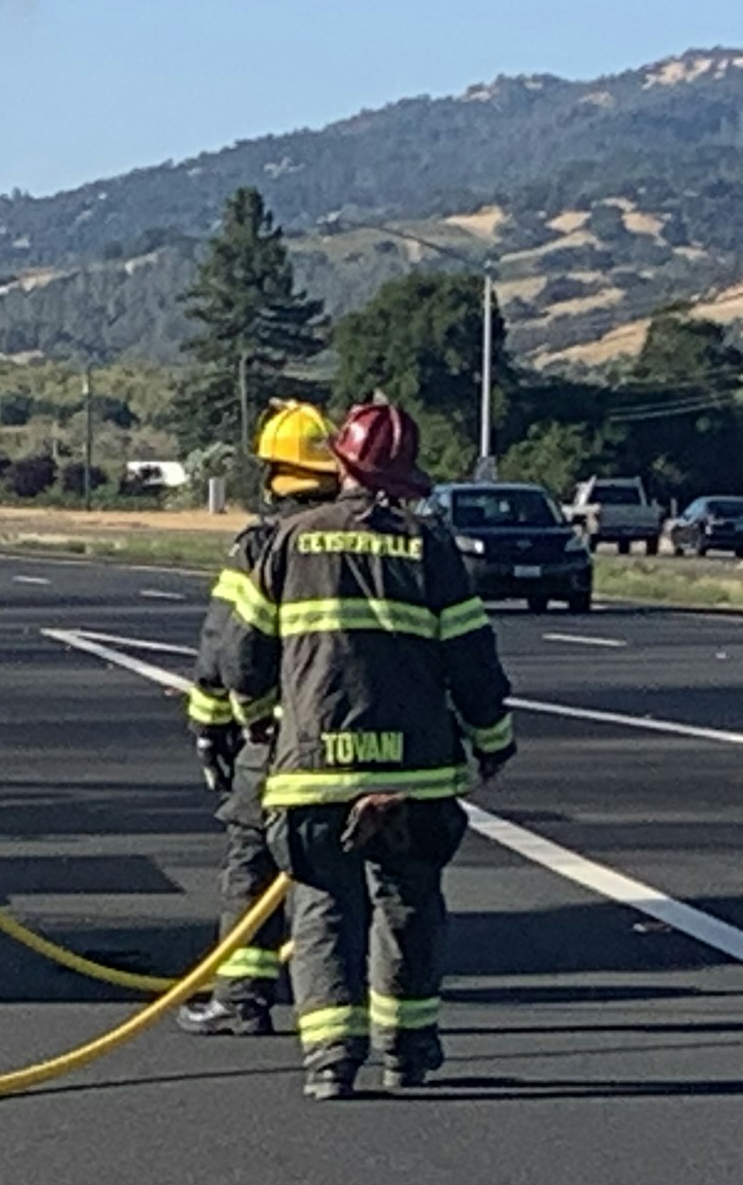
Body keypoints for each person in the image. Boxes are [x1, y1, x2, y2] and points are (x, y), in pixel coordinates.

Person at [213, 401, 516, 1100]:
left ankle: (329, 1061)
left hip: (312, 774)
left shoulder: (287, 541)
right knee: (408, 903)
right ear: (407, 479)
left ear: (342, 464)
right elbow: (473, 660)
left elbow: (240, 655)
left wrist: (257, 721)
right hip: (414, 775)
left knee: (322, 906)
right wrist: (493, 741)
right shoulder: (429, 546)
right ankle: (406, 1051)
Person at [176, 402, 342, 1038]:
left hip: (276, 740)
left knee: (252, 856)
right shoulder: (382, 537)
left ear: (275, 471)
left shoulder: (263, 546)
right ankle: (347, 1004)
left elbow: (227, 649)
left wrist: (216, 727)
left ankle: (241, 997)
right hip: (364, 740)